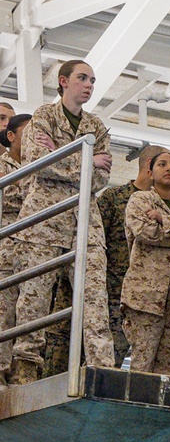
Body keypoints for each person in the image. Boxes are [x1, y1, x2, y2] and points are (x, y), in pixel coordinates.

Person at [10, 59, 114, 381]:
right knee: (34, 300)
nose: (89, 85)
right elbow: (37, 163)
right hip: (45, 220)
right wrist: (84, 157)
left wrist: (60, 151)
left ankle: (102, 369)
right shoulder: (43, 116)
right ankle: (25, 370)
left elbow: (100, 179)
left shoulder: (96, 126)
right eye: (82, 78)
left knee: (96, 298)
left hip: (85, 223)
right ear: (63, 81)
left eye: (93, 80)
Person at [98, 143, 165, 365]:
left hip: (148, 296)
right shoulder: (114, 198)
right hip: (113, 293)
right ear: (150, 166)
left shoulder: (166, 207)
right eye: (164, 164)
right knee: (106, 357)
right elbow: (96, 243)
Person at [121, 148, 170, 373]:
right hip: (145, 294)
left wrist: (164, 220)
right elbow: (146, 233)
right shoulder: (140, 199)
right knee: (142, 361)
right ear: (150, 171)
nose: (169, 169)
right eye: (162, 164)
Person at [0, 113, 31, 380]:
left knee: (29, 316)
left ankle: (21, 373)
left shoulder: (43, 167)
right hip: (7, 253)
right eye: (26, 132)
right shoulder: (2, 167)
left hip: (34, 251)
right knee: (4, 314)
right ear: (11, 137)